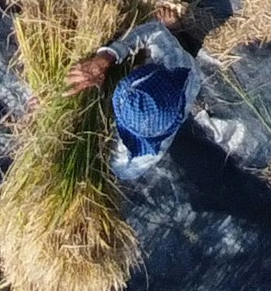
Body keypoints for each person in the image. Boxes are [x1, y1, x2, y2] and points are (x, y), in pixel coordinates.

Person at [66, 17, 198, 179]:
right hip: (172, 88)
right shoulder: (180, 65)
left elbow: (84, 153)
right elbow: (154, 30)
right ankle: (175, 32)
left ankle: (175, 34)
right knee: (170, 36)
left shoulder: (123, 158)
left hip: (124, 165)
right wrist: (107, 57)